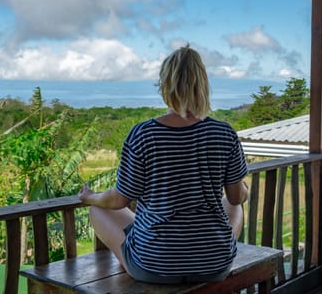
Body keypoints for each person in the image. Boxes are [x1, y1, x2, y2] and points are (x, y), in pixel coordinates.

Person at [78, 45, 249, 284]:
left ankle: (142, 255)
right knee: (235, 206)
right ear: (203, 86)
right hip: (214, 264)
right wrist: (244, 189)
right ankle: (201, 252)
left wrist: (90, 198)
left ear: (165, 86)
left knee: (99, 209)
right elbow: (235, 197)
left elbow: (118, 200)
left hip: (154, 266)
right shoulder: (224, 133)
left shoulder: (143, 135)